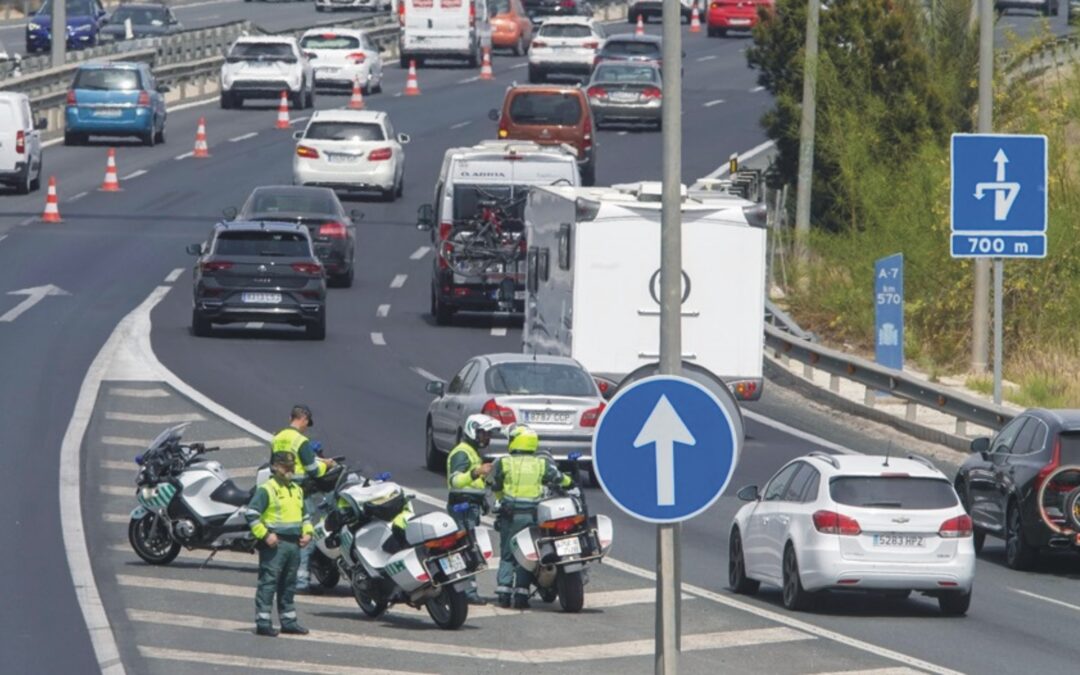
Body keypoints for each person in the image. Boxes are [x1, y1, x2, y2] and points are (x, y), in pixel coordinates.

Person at [489, 424, 573, 609]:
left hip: (510, 515)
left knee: (508, 554)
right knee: (526, 554)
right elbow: (560, 479)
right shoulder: (541, 464)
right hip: (532, 516)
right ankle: (521, 594)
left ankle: (503, 593)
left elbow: (493, 482)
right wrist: (571, 480)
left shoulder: (503, 462)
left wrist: (501, 499)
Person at [244, 451, 314, 637]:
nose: (289, 470)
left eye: (292, 466)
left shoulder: (297, 490)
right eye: (285, 466)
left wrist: (308, 533)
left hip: (294, 545)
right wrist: (265, 535)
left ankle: (288, 621)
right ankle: (263, 622)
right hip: (275, 545)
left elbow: (305, 516)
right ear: (275, 467)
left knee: (289, 584)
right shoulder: (267, 489)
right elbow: (251, 514)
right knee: (269, 583)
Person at [270, 404, 335, 592]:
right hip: (301, 492)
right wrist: (327, 465)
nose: (307, 427)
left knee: (285, 534)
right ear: (304, 419)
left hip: (281, 491)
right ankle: (301, 581)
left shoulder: (278, 438)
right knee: (308, 533)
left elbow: (273, 464)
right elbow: (312, 469)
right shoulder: (300, 440)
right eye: (307, 423)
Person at [446, 414, 501, 605]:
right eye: (484, 433)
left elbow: (474, 484)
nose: (487, 438)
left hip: (470, 507)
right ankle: (466, 591)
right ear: (473, 431)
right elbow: (455, 481)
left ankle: (465, 589)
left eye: (488, 434)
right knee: (466, 549)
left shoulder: (472, 452)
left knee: (469, 549)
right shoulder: (462, 453)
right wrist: (476, 472)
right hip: (462, 508)